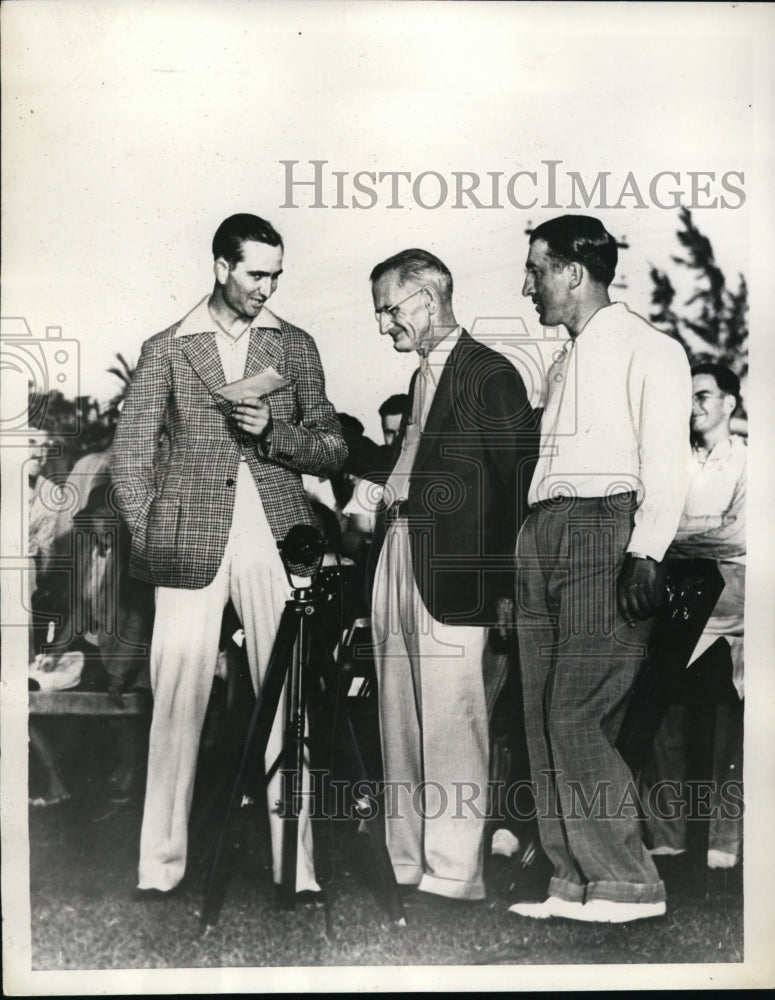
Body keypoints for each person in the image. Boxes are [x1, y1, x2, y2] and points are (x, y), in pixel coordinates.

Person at [110, 213, 346, 897]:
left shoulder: (294, 346)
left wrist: (276, 433)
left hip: (277, 540)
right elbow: (130, 457)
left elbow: (331, 448)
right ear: (220, 266)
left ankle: (294, 870)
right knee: (176, 702)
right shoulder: (167, 348)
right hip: (187, 544)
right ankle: (158, 870)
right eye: (254, 274)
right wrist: (153, 536)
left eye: (276, 275)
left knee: (288, 702)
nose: (266, 288)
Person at [508, 215, 692, 924]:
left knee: (576, 712)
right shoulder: (564, 360)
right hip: (542, 533)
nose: (528, 286)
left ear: (572, 274)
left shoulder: (651, 348)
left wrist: (643, 550)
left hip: (601, 531)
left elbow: (663, 464)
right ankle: (569, 880)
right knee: (538, 714)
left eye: (536, 270)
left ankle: (626, 884)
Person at [369, 248, 536, 901]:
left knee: (453, 722)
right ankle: (408, 861)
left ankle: (455, 872)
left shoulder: (489, 374)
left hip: (460, 579)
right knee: (399, 720)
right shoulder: (419, 379)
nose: (383, 325)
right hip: (400, 555)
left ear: (425, 300)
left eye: (388, 310)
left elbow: (517, 489)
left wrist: (504, 590)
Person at [641, 363, 746, 869]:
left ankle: (727, 838)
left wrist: (671, 538)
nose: (694, 405)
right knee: (656, 704)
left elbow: (742, 535)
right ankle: (667, 832)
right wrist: (689, 534)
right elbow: (646, 521)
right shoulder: (671, 461)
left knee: (737, 714)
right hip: (678, 591)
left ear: (729, 404)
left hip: (735, 595)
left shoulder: (751, 460)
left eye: (704, 395)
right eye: (689, 396)